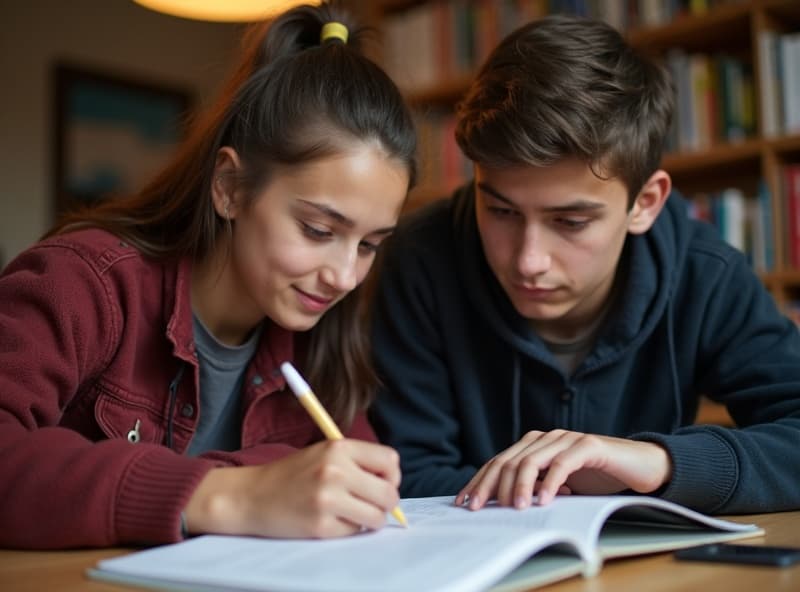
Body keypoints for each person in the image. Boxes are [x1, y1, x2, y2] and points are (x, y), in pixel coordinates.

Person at [0, 1, 417, 549]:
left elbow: (358, 487)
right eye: (318, 230)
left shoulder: (322, 342)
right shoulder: (85, 284)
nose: (343, 276)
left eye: (369, 245)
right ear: (229, 188)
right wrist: (230, 493)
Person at [369, 14, 800, 516]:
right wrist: (581, 489)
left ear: (645, 202)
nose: (529, 261)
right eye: (502, 211)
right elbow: (405, 476)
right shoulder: (419, 259)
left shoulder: (705, 274)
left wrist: (658, 462)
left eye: (571, 222)